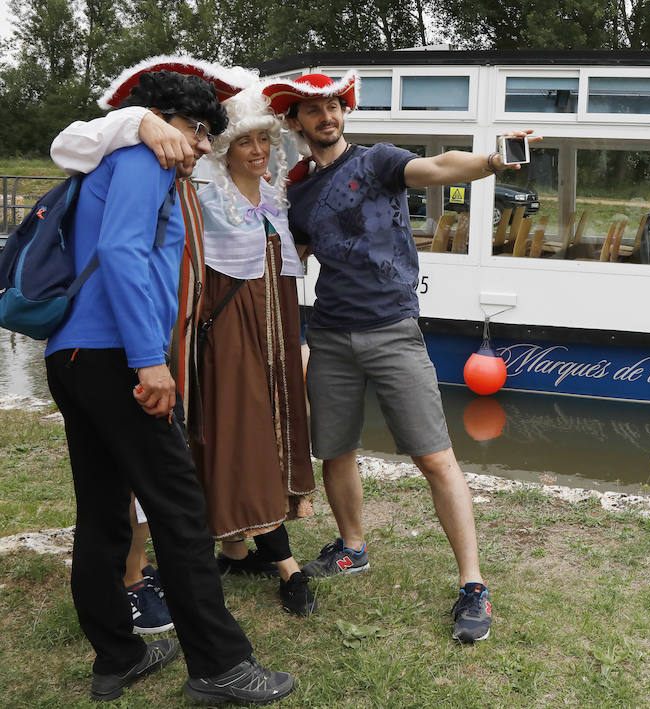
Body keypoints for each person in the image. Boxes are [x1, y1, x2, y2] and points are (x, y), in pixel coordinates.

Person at [44, 67, 294, 704]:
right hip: (118, 358)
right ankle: (219, 665)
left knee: (102, 511)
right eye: (201, 130)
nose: (205, 145)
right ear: (168, 123)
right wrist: (150, 362)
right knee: (181, 511)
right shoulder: (143, 157)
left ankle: (117, 657)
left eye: (213, 133)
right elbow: (126, 252)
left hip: (76, 353)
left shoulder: (114, 157)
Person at [263, 71, 536, 643]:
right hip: (332, 335)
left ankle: (473, 585)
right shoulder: (299, 193)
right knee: (334, 451)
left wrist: (491, 162)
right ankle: (353, 547)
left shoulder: (378, 161)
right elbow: (287, 259)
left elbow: (437, 167)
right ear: (294, 123)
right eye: (312, 110)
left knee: (435, 458)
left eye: (333, 106)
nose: (326, 117)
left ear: (345, 112)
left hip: (392, 331)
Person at [194, 86, 316, 615]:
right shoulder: (205, 200)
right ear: (226, 149)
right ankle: (286, 566)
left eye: (264, 140)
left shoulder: (273, 200)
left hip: (275, 330)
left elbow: (282, 264)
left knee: (271, 424)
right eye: (245, 142)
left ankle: (234, 545)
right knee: (243, 431)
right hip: (231, 334)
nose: (258, 150)